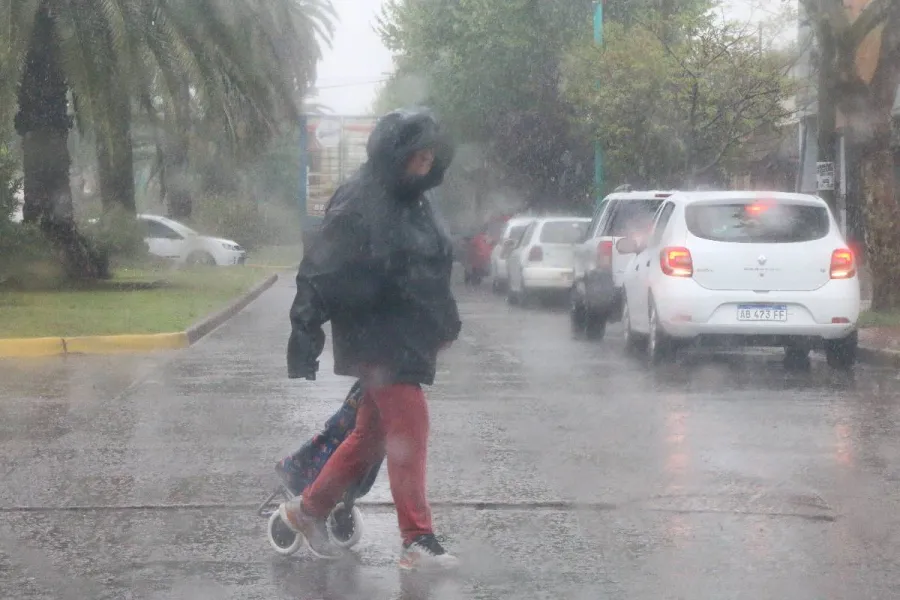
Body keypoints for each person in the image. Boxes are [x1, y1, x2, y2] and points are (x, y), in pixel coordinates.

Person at [279, 108, 462, 571]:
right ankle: (417, 539)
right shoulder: (359, 199)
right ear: (395, 154)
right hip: (375, 339)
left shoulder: (418, 201)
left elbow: (433, 267)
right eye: (417, 155)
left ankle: (307, 511)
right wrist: (305, 329)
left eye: (430, 156)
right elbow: (320, 268)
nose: (425, 163)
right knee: (410, 427)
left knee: (370, 437)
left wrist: (445, 322)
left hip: (407, 337)